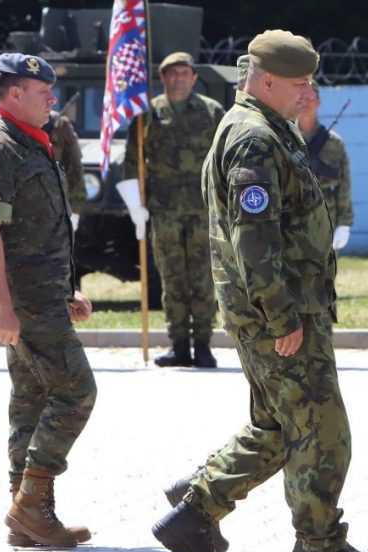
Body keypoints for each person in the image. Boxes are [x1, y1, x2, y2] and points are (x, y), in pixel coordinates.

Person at [151, 30, 368, 552]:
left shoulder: (264, 127)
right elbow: (255, 237)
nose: (309, 92)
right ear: (266, 79)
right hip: (280, 312)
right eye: (300, 83)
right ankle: (319, 546)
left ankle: (196, 508)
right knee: (323, 430)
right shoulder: (254, 137)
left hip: (278, 308)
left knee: (277, 428)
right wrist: (282, 316)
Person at [0, 53, 96, 547]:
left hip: (43, 298)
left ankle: (29, 515)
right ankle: (30, 504)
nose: (52, 100)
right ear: (15, 94)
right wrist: (2, 307)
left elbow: (42, 231)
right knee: (77, 391)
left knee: (30, 401)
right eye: (43, 92)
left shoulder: (33, 144)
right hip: (25, 304)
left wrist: (68, 291)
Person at [119, 51, 225, 368]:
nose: (177, 78)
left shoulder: (212, 111)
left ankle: (203, 345)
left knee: (203, 279)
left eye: (183, 73)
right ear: (162, 78)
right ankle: (178, 345)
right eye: (171, 73)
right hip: (164, 211)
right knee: (172, 280)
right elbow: (132, 163)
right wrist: (135, 207)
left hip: (203, 210)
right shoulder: (147, 114)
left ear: (194, 77)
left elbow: (225, 160)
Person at [298, 81, 353, 251]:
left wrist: (344, 223)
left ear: (319, 101)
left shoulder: (334, 143)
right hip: (293, 225)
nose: (306, 101)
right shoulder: (284, 140)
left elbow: (344, 185)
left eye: (311, 96)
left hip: (327, 222)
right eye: (301, 96)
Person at [44, 110, 85, 229]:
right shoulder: (14, 123)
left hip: (56, 205)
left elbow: (75, 168)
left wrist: (76, 209)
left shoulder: (60, 126)